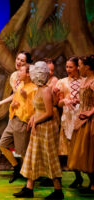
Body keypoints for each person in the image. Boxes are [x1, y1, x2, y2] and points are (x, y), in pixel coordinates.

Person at [14, 61, 63, 199]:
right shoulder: (39, 88)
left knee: (49, 156)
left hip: (47, 127)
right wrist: (32, 118)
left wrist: (36, 120)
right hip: (39, 126)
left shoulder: (46, 90)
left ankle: (58, 191)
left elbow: (49, 113)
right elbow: (38, 108)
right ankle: (29, 188)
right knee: (33, 155)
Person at [0, 64, 37, 183]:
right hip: (13, 119)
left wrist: (26, 98)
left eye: (21, 71)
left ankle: (29, 176)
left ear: (28, 74)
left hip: (23, 121)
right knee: (2, 144)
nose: (18, 73)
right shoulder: (20, 86)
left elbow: (34, 109)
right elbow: (15, 101)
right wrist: (12, 106)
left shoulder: (34, 88)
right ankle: (16, 167)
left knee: (23, 151)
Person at [54, 57, 83, 188]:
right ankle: (78, 177)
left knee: (83, 148)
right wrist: (64, 101)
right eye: (66, 67)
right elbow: (58, 103)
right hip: (69, 118)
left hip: (82, 117)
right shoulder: (62, 82)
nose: (68, 70)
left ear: (78, 67)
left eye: (71, 67)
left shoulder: (85, 81)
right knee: (71, 149)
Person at [68, 55, 94, 194]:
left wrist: (90, 113)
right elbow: (86, 98)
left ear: (88, 67)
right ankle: (91, 182)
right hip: (82, 120)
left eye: (80, 65)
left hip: (90, 121)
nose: (79, 68)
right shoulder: (86, 80)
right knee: (82, 153)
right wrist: (77, 100)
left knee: (89, 153)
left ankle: (93, 185)